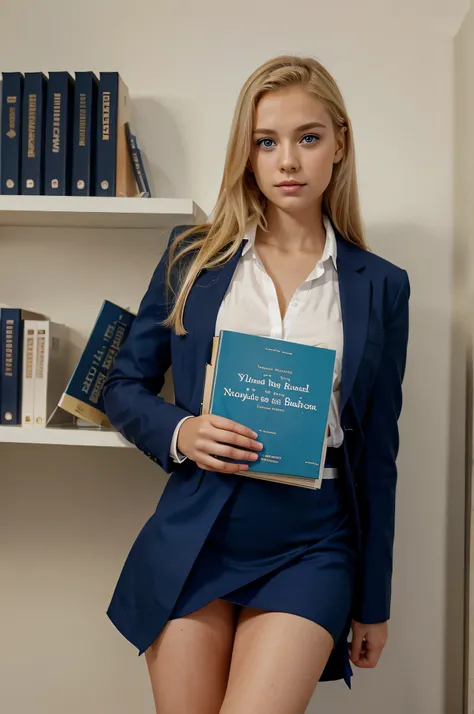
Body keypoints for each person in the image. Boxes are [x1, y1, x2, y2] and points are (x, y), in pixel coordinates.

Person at [103, 54, 410, 714]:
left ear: (340, 144)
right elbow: (123, 386)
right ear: (246, 154)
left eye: (308, 138)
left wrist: (374, 603)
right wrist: (182, 430)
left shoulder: (381, 285)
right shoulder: (193, 257)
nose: (288, 162)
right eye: (266, 142)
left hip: (312, 542)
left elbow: (378, 454)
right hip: (198, 530)